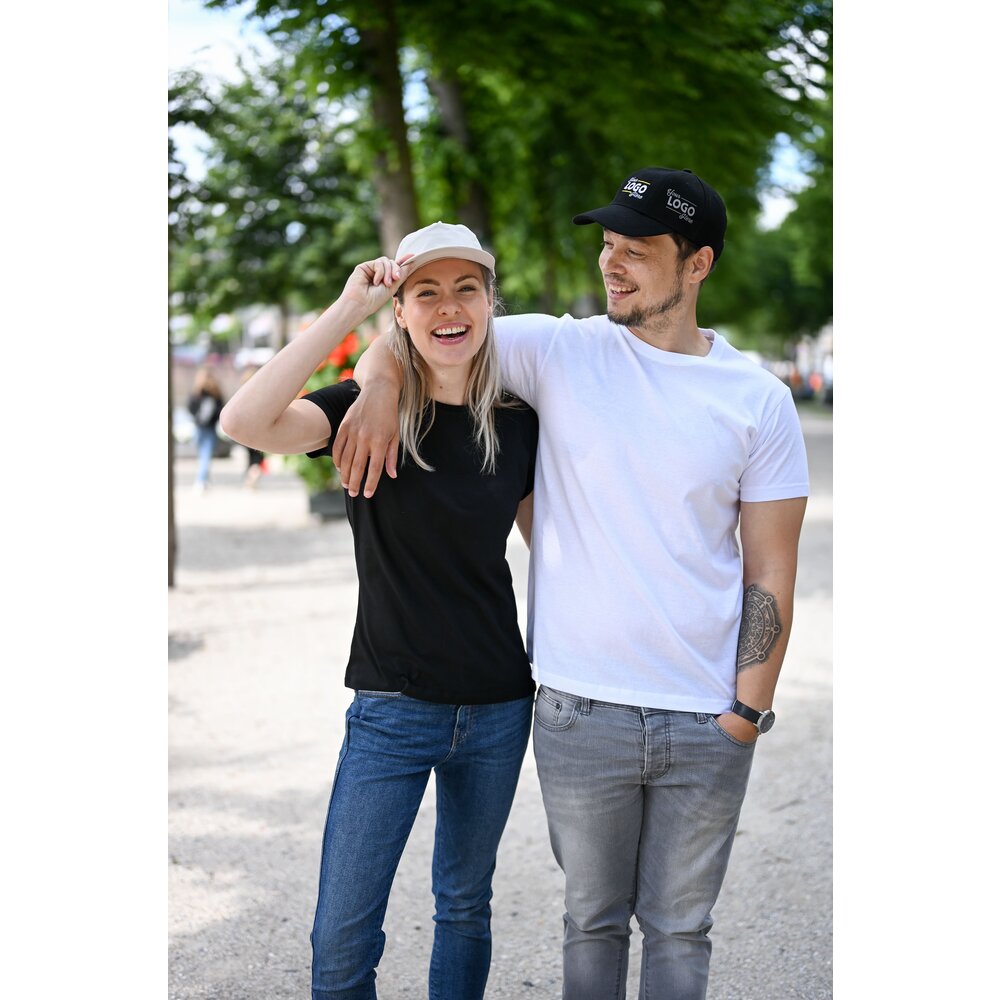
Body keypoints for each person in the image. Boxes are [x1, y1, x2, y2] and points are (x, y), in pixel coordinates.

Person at [334, 168, 810, 1000]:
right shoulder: (558, 348)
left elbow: (771, 565)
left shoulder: (759, 400)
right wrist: (375, 384)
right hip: (578, 710)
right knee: (590, 921)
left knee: (681, 929)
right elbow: (429, 327)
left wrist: (746, 710)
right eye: (608, 245)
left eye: (637, 250)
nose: (611, 263)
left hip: (707, 714)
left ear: (698, 264)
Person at [219, 221, 539, 1000]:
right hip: (393, 707)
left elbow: (559, 552)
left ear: (490, 303)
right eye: (426, 292)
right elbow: (243, 423)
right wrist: (347, 313)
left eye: (466, 289)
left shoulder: (521, 422)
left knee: (464, 906)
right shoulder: (365, 410)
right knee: (340, 940)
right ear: (400, 311)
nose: (449, 307)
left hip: (499, 706)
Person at [187, 367, 226, 492]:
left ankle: (203, 480)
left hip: (199, 427)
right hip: (209, 428)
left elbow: (190, 407)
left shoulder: (197, 392)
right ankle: (201, 480)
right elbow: (221, 410)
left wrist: (197, 418)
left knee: (203, 455)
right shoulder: (216, 393)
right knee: (206, 456)